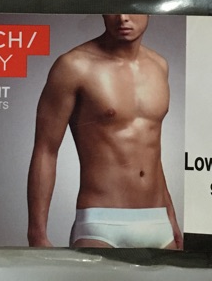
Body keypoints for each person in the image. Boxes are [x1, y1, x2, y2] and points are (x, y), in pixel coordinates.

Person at [27, 14, 183, 249]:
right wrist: (37, 234)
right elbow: (46, 150)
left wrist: (170, 215)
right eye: (113, 9)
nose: (123, 18)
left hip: (158, 221)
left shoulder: (159, 65)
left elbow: (150, 149)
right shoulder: (74, 66)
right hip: (101, 223)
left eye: (131, 9)